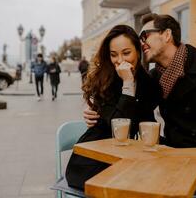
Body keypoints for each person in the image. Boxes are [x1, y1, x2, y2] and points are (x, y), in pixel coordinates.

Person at [83, 13, 196, 198]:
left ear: (166, 35)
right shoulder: (155, 78)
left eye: (145, 35)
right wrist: (97, 112)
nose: (141, 43)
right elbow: (132, 112)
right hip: (173, 161)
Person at [65, 25, 161, 190]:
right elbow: (117, 128)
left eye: (126, 53)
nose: (120, 60)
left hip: (126, 158)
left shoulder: (148, 83)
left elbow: (147, 123)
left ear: (138, 51)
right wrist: (128, 84)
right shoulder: (105, 79)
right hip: (92, 160)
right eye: (113, 54)